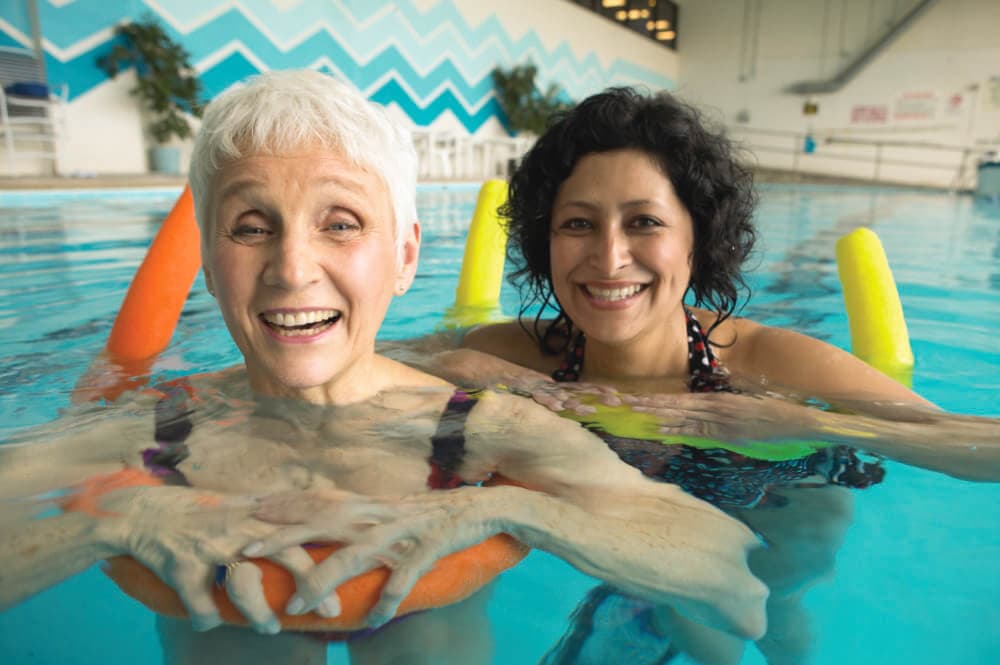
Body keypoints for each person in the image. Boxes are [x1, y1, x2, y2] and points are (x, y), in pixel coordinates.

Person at [0, 71, 770, 665]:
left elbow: (734, 587)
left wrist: (510, 511)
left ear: (404, 257)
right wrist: (110, 523)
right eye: (250, 226)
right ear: (208, 263)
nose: (292, 268)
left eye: (341, 223)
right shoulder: (160, 429)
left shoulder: (478, 425)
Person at [388, 87, 1000, 664]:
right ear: (544, 240)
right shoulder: (516, 353)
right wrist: (470, 367)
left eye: (644, 222)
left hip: (779, 481)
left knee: (765, 617)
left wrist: (797, 419)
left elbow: (978, 444)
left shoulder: (768, 363)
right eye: (578, 224)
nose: (608, 258)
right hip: (636, 480)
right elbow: (365, 357)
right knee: (698, 629)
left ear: (696, 240)